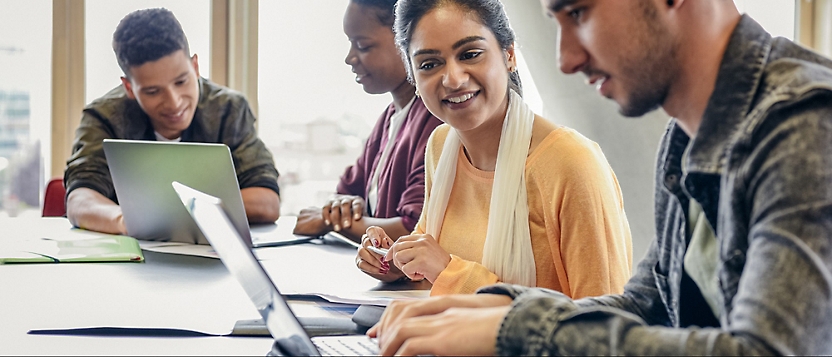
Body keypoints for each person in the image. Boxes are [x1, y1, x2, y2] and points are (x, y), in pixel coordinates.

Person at [367, 0, 832, 355]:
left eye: (580, 12)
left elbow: (764, 350)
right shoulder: (686, 135)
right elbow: (649, 307)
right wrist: (489, 308)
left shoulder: (806, 126)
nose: (566, 59)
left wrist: (518, 328)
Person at [355, 0, 633, 298]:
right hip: (446, 340)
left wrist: (449, 271)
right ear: (413, 75)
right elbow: (435, 261)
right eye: (429, 64)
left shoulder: (571, 163)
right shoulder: (441, 146)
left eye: (470, 54)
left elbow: (604, 327)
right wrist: (397, 262)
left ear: (509, 55)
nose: (453, 79)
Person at [64, 8, 281, 235]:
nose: (174, 102)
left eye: (181, 81)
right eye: (153, 91)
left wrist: (166, 214)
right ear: (129, 87)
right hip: (132, 259)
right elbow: (80, 199)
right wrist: (126, 222)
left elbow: (267, 201)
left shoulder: (229, 110)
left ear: (195, 67)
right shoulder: (104, 117)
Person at [293, 0, 443, 243]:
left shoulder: (436, 121)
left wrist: (329, 221)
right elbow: (345, 195)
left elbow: (413, 229)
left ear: (406, 40)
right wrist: (343, 209)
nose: (350, 58)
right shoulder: (389, 118)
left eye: (362, 45)